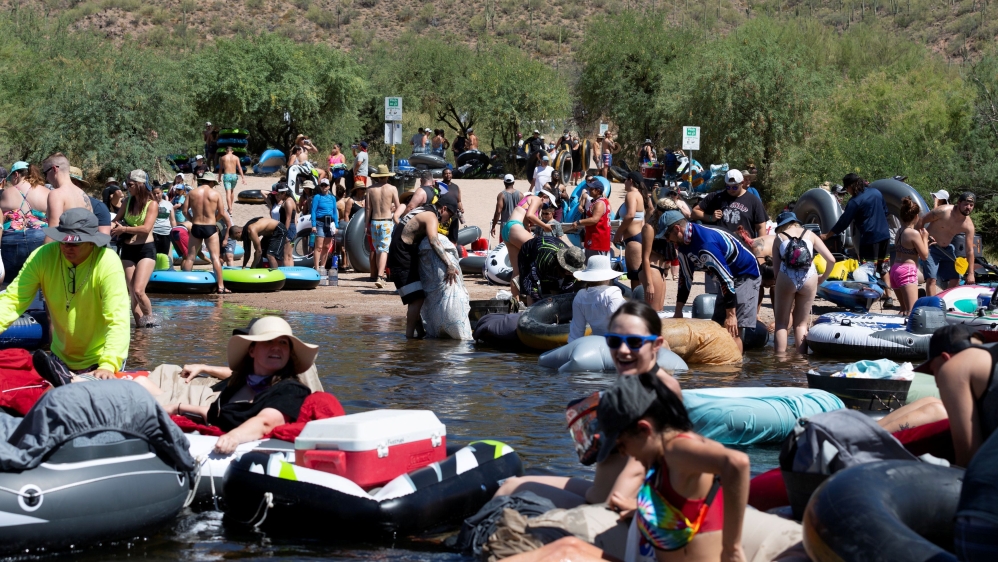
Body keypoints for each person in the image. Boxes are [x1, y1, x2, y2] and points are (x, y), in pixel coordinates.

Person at [511, 371, 751, 562]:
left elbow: (737, 463)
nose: (624, 453)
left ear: (645, 430)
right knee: (566, 547)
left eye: (622, 445)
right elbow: (683, 508)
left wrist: (733, 548)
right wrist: (638, 509)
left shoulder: (676, 449)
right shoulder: (659, 459)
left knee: (561, 553)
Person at [495, 302, 682, 510]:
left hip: (606, 503)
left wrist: (614, 510)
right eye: (613, 341)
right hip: (596, 491)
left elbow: (640, 464)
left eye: (634, 342)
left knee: (509, 489)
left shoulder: (659, 390)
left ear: (656, 345)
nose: (622, 350)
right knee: (516, 481)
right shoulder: (634, 379)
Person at [140, 316, 319, 455]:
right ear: (252, 350)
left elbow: (266, 422)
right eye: (268, 341)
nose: (276, 347)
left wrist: (234, 436)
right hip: (215, 445)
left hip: (248, 457)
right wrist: (176, 408)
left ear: (289, 353)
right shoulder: (238, 385)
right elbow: (213, 414)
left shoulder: (291, 389)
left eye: (283, 343)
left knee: (141, 386)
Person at [0, 209, 129, 384]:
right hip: (59, 357)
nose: (67, 247)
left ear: (91, 242)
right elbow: (13, 299)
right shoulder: (42, 256)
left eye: (75, 244)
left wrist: (108, 364)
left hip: (101, 359)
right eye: (63, 241)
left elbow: (117, 318)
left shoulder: (108, 261)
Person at [659, 209, 761, 353]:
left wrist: (731, 316)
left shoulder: (705, 243)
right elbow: (685, 279)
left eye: (667, 235)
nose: (667, 240)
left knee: (733, 328)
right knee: (717, 325)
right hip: (726, 278)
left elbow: (727, 280)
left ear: (677, 229)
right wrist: (678, 312)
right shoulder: (682, 246)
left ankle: (735, 371)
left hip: (745, 273)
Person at [913, 325, 994, 467]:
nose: (936, 383)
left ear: (945, 357)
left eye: (933, 371)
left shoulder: (953, 367)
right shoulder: (990, 355)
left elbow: (968, 460)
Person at [387, 194, 460, 339]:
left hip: (400, 255)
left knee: (417, 296)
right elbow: (434, 241)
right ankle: (409, 337)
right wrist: (450, 265)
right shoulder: (431, 216)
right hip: (401, 259)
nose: (449, 219)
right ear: (443, 208)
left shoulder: (423, 210)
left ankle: (420, 334)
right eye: (449, 214)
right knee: (417, 299)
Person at [770, 212, 835, 353]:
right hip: (809, 277)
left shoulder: (779, 238)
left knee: (781, 324)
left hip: (786, 276)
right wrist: (823, 277)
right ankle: (801, 362)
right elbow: (831, 260)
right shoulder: (811, 234)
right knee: (801, 325)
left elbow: (776, 272)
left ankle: (780, 364)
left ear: (781, 226)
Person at [820, 174, 891, 297]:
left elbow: (843, 222)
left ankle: (868, 296)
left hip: (869, 239)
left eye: (847, 189)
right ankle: (888, 296)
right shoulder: (876, 192)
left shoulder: (855, 201)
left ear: (852, 186)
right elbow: (886, 212)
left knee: (866, 269)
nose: (847, 192)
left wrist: (827, 235)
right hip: (885, 235)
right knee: (883, 267)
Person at [110, 170, 158, 326]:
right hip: (128, 250)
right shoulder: (127, 202)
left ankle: (150, 322)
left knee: (138, 290)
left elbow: (146, 228)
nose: (127, 188)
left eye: (130, 185)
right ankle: (140, 328)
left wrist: (124, 230)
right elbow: (115, 220)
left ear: (140, 184)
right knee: (132, 293)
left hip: (146, 249)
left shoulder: (152, 204)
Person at [917, 191, 976, 295]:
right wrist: (923, 237)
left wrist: (971, 273)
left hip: (947, 249)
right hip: (931, 248)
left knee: (955, 279)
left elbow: (970, 250)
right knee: (931, 279)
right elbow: (921, 221)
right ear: (959, 203)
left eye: (971, 205)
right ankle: (933, 307)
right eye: (966, 204)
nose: (968, 207)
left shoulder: (968, 225)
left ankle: (942, 302)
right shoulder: (943, 211)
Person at [502, 189, 556, 300]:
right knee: (539, 254)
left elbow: (526, 221)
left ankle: (516, 302)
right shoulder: (536, 199)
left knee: (517, 270)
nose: (548, 206)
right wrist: (544, 226)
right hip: (515, 227)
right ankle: (533, 300)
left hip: (508, 229)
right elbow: (530, 215)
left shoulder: (527, 200)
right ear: (544, 197)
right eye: (549, 203)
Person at [182, 172, 231, 293]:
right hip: (210, 227)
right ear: (210, 182)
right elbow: (221, 212)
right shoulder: (216, 194)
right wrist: (215, 220)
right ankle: (220, 287)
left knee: (190, 257)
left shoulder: (192, 193)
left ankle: (185, 284)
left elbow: (184, 211)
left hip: (196, 226)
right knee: (215, 258)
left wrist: (192, 220)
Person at [2, 161, 49, 283]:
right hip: (41, 239)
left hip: (11, 240)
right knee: (39, 284)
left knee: (9, 285)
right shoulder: (46, 192)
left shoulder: (7, 192)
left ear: (16, 174)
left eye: (11, 177)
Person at [691, 169, 767, 238]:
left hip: (743, 246)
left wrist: (759, 249)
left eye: (734, 187)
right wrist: (711, 217)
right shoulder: (716, 197)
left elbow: (761, 227)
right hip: (721, 244)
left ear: (742, 183)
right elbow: (694, 213)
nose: (731, 190)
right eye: (728, 187)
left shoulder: (753, 201)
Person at [568, 256, 627, 342]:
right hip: (614, 345)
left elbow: (576, 332)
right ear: (608, 277)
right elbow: (622, 325)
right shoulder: (612, 293)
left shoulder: (581, 296)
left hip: (596, 343)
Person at [891, 197, 931, 316]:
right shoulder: (913, 233)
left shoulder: (899, 231)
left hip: (895, 269)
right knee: (912, 312)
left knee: (903, 310)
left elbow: (909, 249)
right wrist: (925, 238)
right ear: (916, 217)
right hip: (907, 271)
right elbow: (924, 256)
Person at [516, 236, 583, 306]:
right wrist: (540, 303)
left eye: (572, 271)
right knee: (532, 293)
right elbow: (530, 282)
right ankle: (530, 313)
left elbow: (568, 288)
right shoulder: (547, 260)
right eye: (568, 269)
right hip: (529, 254)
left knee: (558, 287)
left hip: (553, 262)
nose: (570, 272)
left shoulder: (575, 260)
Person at [640, 199, 680, 312]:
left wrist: (667, 267)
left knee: (660, 310)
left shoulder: (666, 226)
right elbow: (645, 257)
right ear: (659, 212)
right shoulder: (650, 228)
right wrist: (649, 284)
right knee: (654, 311)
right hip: (652, 268)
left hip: (661, 269)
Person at [43, 153, 95, 239]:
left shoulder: (56, 194)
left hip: (66, 248)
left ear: (54, 169)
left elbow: (53, 232)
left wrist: (42, 251)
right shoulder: (83, 195)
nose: (46, 178)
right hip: (84, 247)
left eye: (45, 173)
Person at [366, 165, 398, 288]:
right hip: (386, 221)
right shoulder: (392, 188)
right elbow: (398, 205)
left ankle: (380, 275)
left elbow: (368, 208)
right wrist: (391, 208)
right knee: (384, 249)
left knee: (378, 249)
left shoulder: (370, 189)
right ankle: (380, 276)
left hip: (374, 221)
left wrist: (366, 224)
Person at [614, 172, 646, 289]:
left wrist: (618, 232)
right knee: (636, 276)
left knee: (636, 277)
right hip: (636, 237)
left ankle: (638, 305)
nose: (624, 183)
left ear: (630, 180)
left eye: (625, 180)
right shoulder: (639, 195)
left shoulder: (631, 194)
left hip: (633, 239)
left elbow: (630, 215)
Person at [571, 176, 611, 259]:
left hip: (598, 239)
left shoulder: (600, 203)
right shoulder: (600, 201)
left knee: (595, 265)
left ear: (598, 191)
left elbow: (594, 219)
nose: (589, 190)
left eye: (592, 189)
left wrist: (579, 222)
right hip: (594, 238)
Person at [311, 178, 338, 273]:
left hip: (329, 222)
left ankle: (323, 266)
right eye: (322, 185)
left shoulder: (332, 198)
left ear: (329, 186)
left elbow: (335, 212)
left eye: (325, 185)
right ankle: (316, 267)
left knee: (327, 246)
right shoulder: (317, 197)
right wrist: (313, 225)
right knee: (319, 246)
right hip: (320, 222)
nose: (323, 187)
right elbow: (313, 211)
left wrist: (336, 225)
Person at [491, 174, 523, 242]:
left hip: (505, 225)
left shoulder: (501, 195)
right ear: (514, 182)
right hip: (517, 224)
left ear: (504, 183)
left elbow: (498, 211)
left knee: (503, 246)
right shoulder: (520, 195)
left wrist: (493, 226)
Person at [273, 183, 297, 266]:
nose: (278, 195)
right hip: (292, 229)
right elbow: (295, 218)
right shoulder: (289, 200)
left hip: (289, 229)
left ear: (284, 193)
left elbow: (288, 218)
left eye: (279, 194)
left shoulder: (288, 202)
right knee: (290, 255)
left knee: (285, 255)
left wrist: (284, 233)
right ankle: (292, 275)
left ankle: (288, 276)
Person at [219, 145, 246, 216]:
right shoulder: (236, 157)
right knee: (232, 191)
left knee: (228, 192)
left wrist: (219, 177)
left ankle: (230, 209)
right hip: (234, 176)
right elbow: (239, 168)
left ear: (226, 151)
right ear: (232, 151)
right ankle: (231, 207)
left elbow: (220, 169)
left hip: (227, 176)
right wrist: (243, 178)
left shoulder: (223, 158)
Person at [151, 185, 175, 260]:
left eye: (158, 193)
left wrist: (174, 231)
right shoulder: (149, 204)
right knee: (153, 254)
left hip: (166, 232)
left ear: (162, 192)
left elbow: (172, 220)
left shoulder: (168, 204)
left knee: (164, 255)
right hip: (153, 232)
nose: (156, 195)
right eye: (154, 193)